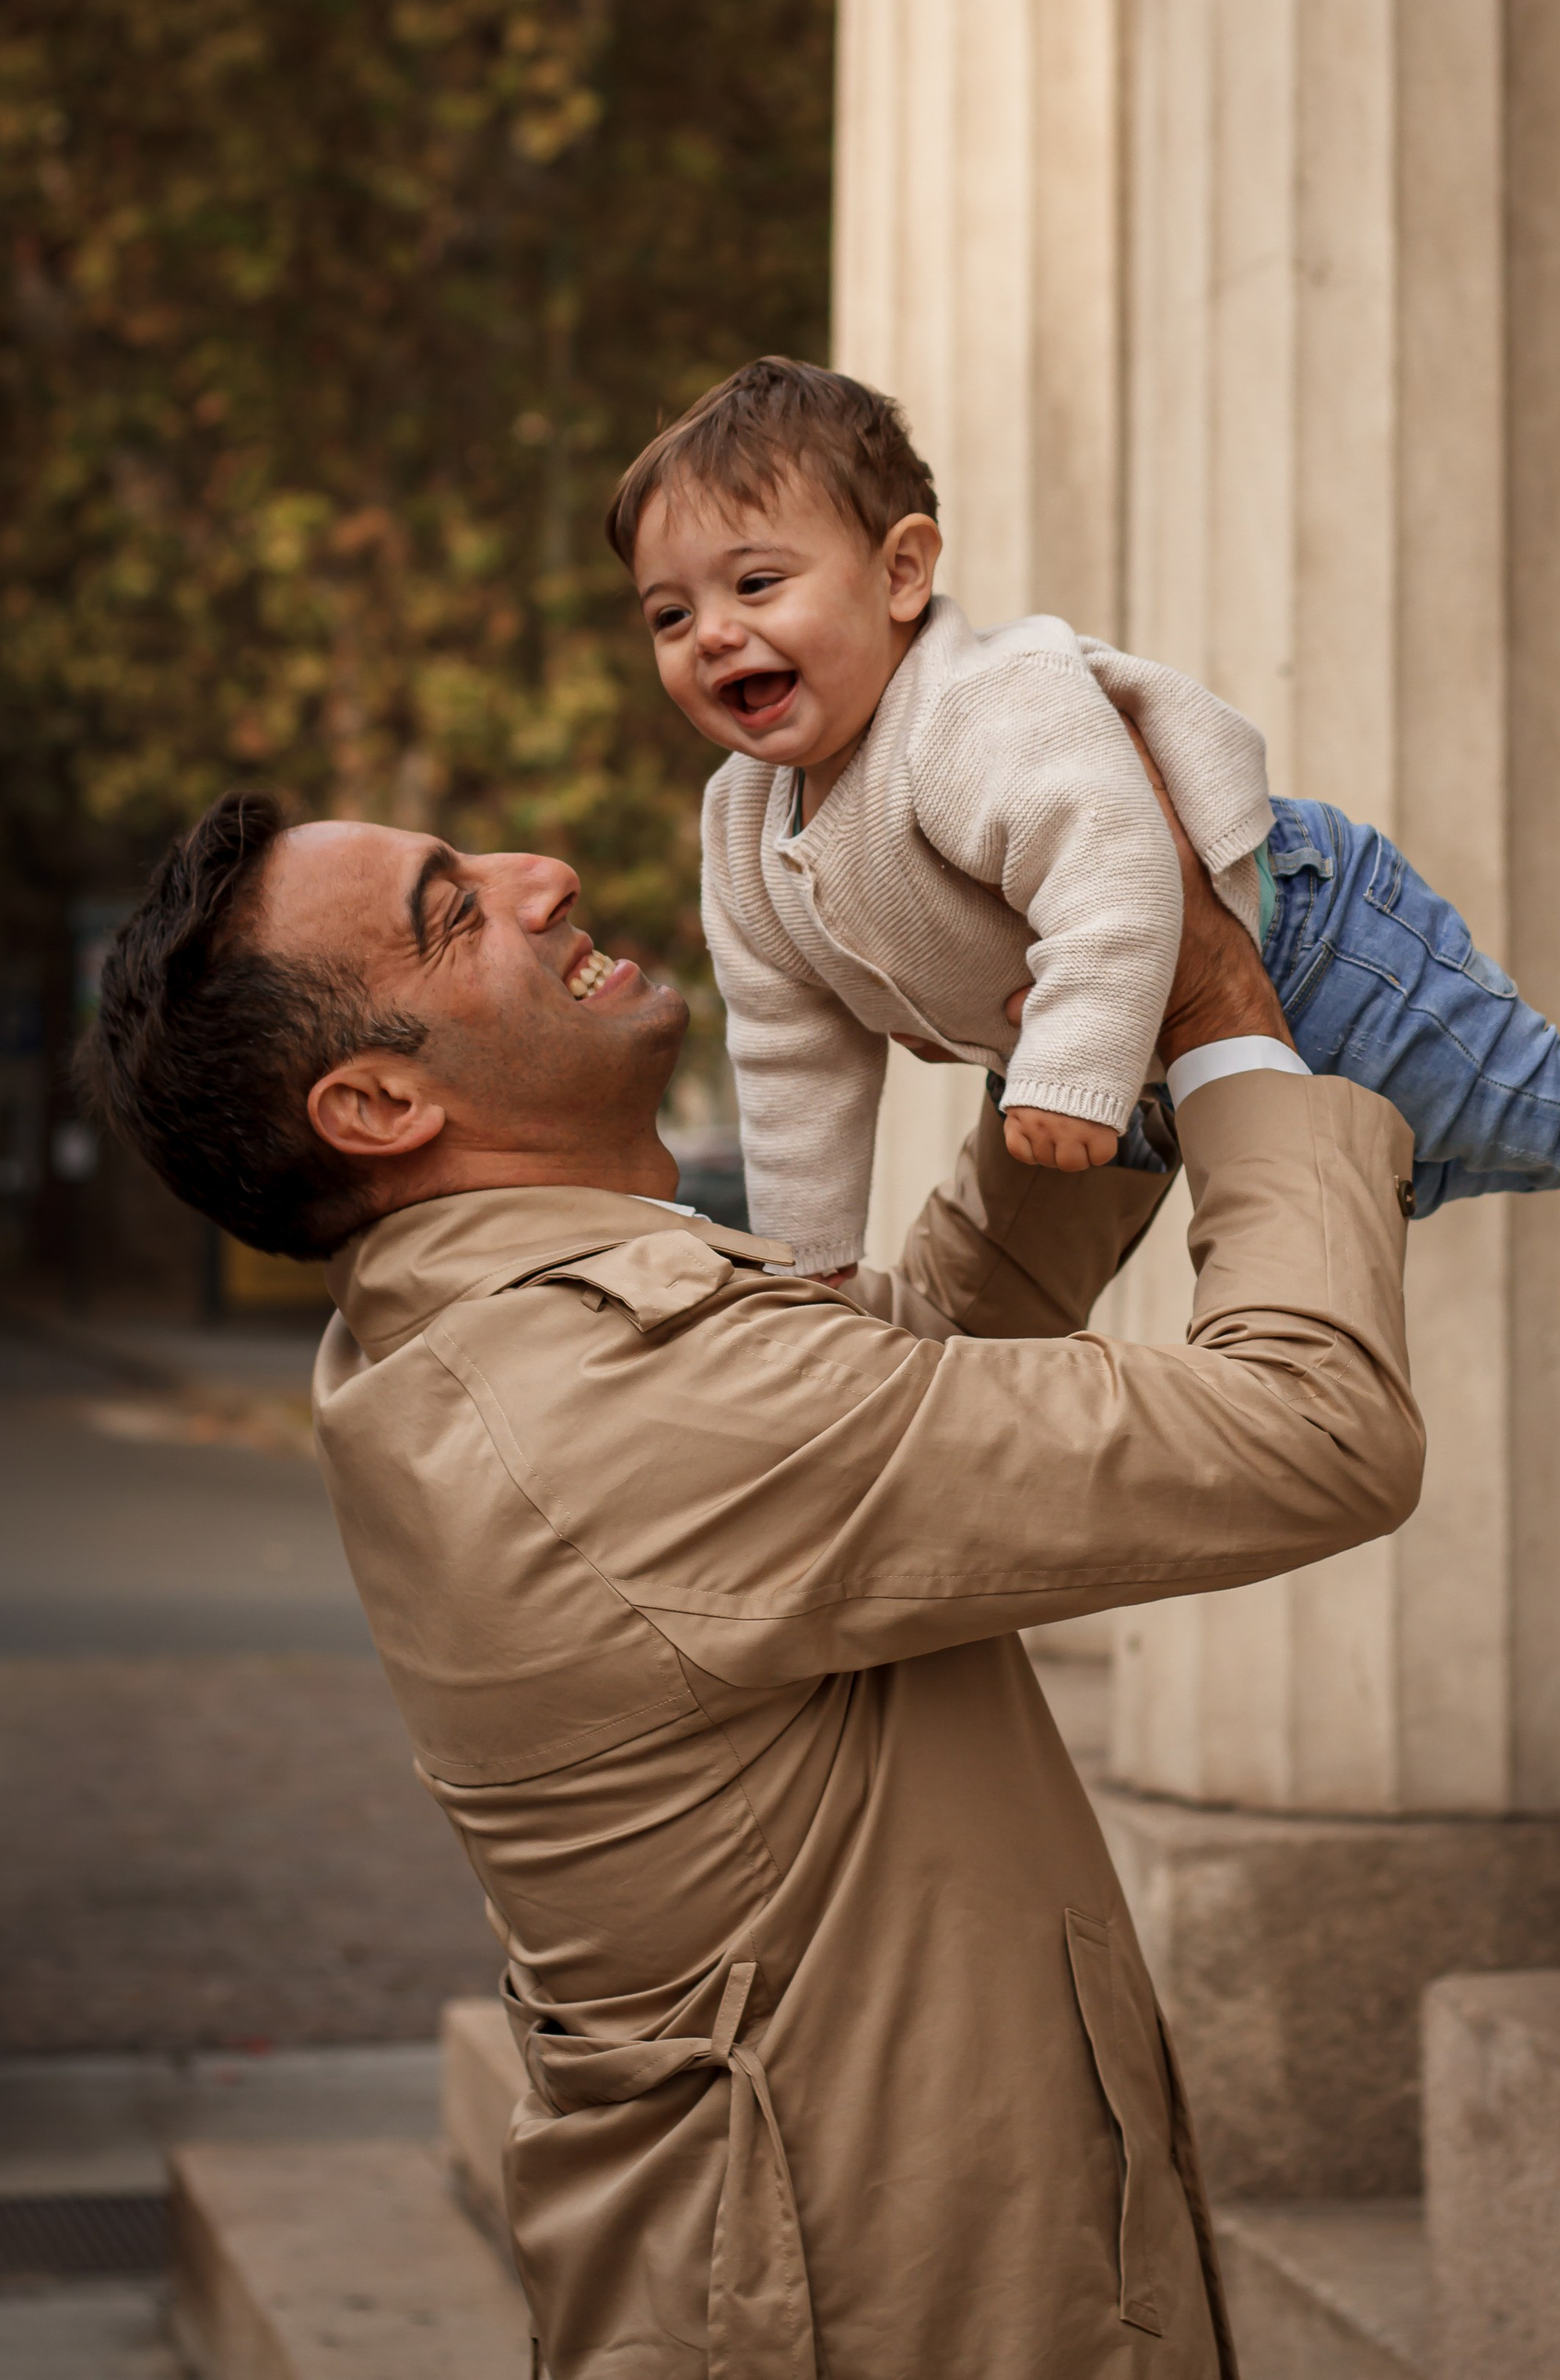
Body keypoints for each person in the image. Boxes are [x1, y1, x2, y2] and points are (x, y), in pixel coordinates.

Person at [83, 774, 1422, 2380]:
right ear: (377, 1109)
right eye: (454, 914)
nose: (543, 871)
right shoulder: (606, 1401)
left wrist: (1086, 1063)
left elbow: (879, 1412)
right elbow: (1310, 1430)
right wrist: (1221, 1029)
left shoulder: (501, 1338)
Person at [608, 356, 1560, 1373]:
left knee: (1500, 1110)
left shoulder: (976, 710)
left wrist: (1071, 1067)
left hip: (1300, 934)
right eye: (673, 616)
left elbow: (1121, 872)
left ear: (902, 574)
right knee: (1414, 1162)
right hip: (1116, 1053)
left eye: (757, 586)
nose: (714, 637)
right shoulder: (746, 826)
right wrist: (812, 1265)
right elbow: (792, 1057)